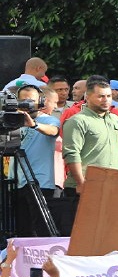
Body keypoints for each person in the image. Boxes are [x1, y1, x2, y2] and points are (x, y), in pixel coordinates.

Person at [62, 79, 118, 197]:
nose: (106, 100)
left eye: (108, 96)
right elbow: (71, 154)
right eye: (101, 96)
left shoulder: (117, 121)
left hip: (113, 185)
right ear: (87, 97)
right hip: (85, 186)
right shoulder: (77, 121)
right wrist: (81, 182)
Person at [14, 84, 60, 236]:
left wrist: (34, 125)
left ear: (40, 101)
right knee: (22, 229)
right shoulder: (11, 120)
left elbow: (53, 131)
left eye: (31, 100)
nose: (26, 104)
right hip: (16, 180)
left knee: (41, 228)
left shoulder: (50, 120)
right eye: (22, 101)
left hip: (40, 181)